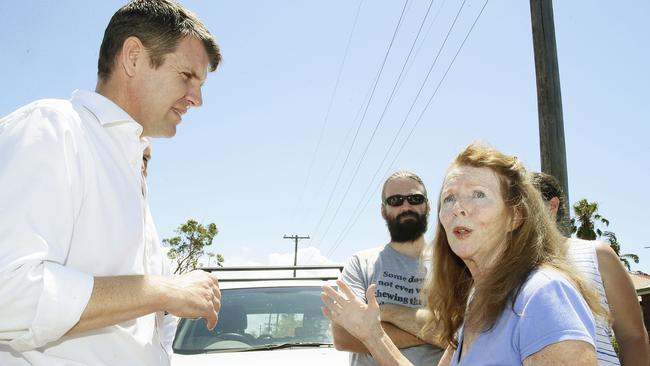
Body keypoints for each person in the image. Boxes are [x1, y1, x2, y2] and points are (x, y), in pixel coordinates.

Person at [0, 1, 222, 365]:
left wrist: (172, 298)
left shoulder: (128, 164)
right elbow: (7, 292)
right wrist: (161, 291)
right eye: (187, 76)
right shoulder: (52, 128)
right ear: (133, 57)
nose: (197, 99)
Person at [322, 143, 606, 365]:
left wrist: (389, 315)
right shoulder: (477, 300)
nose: (459, 207)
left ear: (516, 216)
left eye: (479, 194)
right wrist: (373, 334)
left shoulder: (544, 294)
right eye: (450, 197)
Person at [531, 172, 650, 365]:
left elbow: (633, 336)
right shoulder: (496, 268)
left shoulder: (597, 254)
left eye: (527, 203)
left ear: (552, 206)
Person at [333, 171, 444, 365]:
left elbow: (459, 332)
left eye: (415, 198)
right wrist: (430, 331)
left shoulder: (452, 265)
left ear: (427, 206)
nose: (406, 206)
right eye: (395, 200)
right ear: (383, 210)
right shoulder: (361, 263)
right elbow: (343, 336)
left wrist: (388, 312)